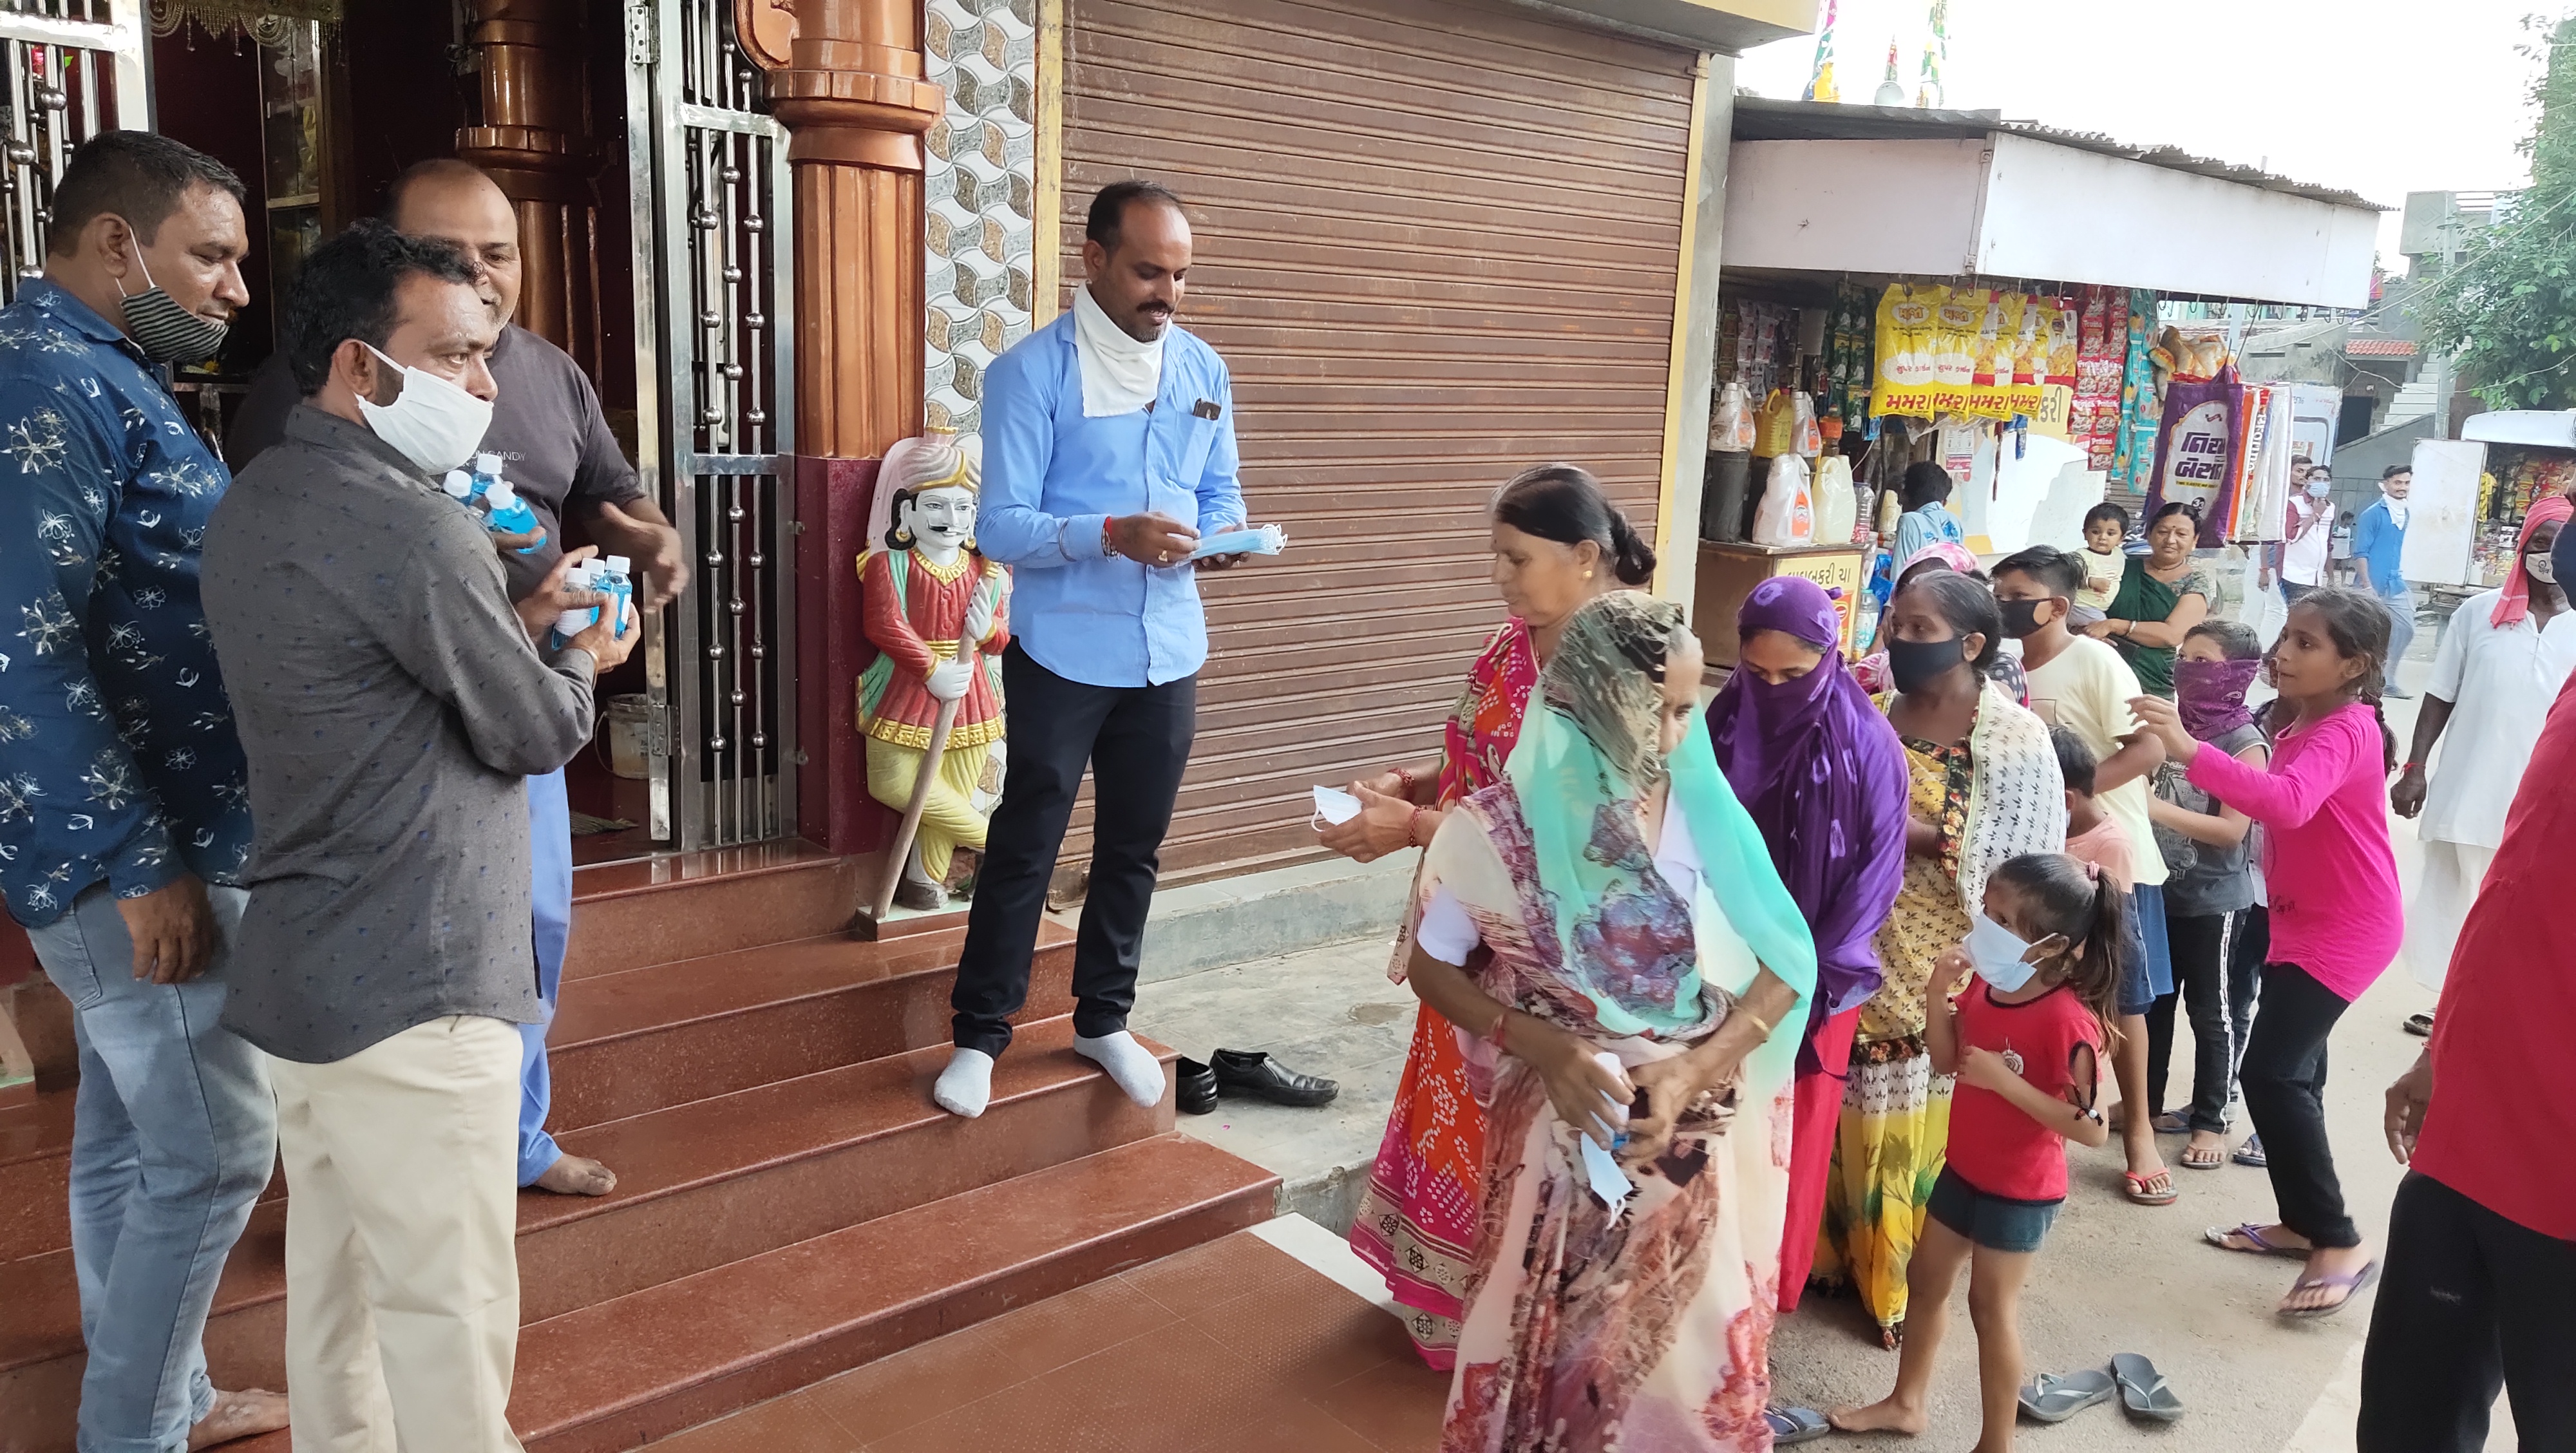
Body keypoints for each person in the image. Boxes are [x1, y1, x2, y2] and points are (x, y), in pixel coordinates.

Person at [203, 219, 636, 1450]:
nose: (487, 388)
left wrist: (514, 611)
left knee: (336, 1310)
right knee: (450, 1325)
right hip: (421, 981)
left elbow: (374, 677)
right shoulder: (418, 527)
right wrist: (578, 653)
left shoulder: (255, 502)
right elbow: (532, 729)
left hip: (304, 980)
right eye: (456, 357)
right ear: (360, 367)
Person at [231, 158, 670, 1200]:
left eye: (498, 253)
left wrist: (646, 541)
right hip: (401, 754)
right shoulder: (305, 417)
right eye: (448, 254)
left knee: (528, 931)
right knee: (419, 976)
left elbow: (613, 493)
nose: (479, 273)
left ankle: (512, 1136)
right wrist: (569, 659)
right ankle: (373, 1161)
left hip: (521, 691)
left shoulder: (552, 373)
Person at [0, 129, 288, 1452]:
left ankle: (166, 1397)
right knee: (219, 1153)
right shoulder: (46, 385)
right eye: (211, 255)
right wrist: (138, 866)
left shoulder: (106, 372)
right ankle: (133, 1435)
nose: (233, 287)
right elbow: (26, 651)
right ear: (120, 245)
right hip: (137, 857)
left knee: (128, 1136)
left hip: (160, 836)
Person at [1394, 592, 1817, 1449]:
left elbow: (1788, 969)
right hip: (1551, 1143)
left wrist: (1692, 1072)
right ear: (1587, 696)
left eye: (1689, 708)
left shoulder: (1703, 810)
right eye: (1655, 707)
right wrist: (1540, 1043)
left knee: (1680, 1375)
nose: (1673, 736)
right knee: (1538, 1352)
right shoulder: (1491, 831)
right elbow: (1433, 967)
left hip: (1682, 1143)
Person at [935, 180, 1303, 1118]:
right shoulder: (1030, 376)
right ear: (1092, 259)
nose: (1166, 294)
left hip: (1169, 650)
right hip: (1063, 650)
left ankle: (1104, 1019)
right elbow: (1004, 526)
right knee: (1027, 841)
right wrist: (1108, 534)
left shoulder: (1202, 372)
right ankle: (981, 1034)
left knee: (1134, 850)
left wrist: (1223, 540)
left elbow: (1218, 490)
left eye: (1179, 275)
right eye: (1147, 271)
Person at [1333, 462, 1651, 1369]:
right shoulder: (1511, 646)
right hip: (1460, 933)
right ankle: (1443, 1305)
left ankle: (1513, 1329)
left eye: (1518, 558)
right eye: (1496, 557)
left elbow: (1575, 838)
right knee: (1451, 1101)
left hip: (1544, 950)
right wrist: (1409, 787)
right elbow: (1471, 756)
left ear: (1587, 557)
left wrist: (1413, 831)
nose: (1501, 577)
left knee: (1517, 1127)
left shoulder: (1616, 674)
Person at [2132, 589, 2400, 1318]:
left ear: (2356, 664)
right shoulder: (2296, 720)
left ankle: (2339, 1239)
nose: (2283, 654)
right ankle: (2301, 1223)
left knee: (2271, 1072)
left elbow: (2283, 805)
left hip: (2347, 927)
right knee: (2297, 1076)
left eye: (2307, 644)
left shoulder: (2344, 727)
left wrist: (2191, 752)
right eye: (2286, 636)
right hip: (2295, 920)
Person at [1817, 572, 2064, 1347]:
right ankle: (1832, 1255)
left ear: (1971, 645)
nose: (1898, 638)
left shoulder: (2012, 737)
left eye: (1919, 630)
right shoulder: (1866, 702)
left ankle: (1893, 1280)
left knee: (1906, 1101)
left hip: (1943, 948)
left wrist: (1907, 835)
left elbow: (2025, 866)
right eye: (1895, 622)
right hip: (1852, 930)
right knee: (1842, 1089)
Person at [2362, 611, 2576, 1451]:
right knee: (2407, 1421)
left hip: (2561, 1193)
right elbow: (2517, 900)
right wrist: (2438, 1048)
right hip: (2466, 1145)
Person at [1830, 853, 2120, 1450]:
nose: (1986, 926)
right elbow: (1945, 1060)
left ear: (2053, 945)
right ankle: (1906, 1403)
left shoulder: (2070, 1021)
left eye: (2005, 921)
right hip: (1963, 1170)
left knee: (1990, 1309)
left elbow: (2092, 1128)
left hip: (2022, 1190)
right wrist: (1938, 995)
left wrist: (2004, 1082)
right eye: (1988, 912)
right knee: (1926, 1279)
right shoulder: (1991, 984)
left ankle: (1996, 1444)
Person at [1703, 576, 1909, 1319]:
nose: (1774, 689)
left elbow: (1874, 878)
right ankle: (1704, 1297)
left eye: (1794, 675)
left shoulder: (1868, 744)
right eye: (1757, 674)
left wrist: (1797, 977)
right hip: (1716, 969)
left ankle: (1760, 1311)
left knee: (1785, 1146)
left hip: (1816, 981)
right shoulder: (1721, 724)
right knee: (1715, 1139)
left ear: (1829, 658)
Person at [1993, 546, 2175, 1206]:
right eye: (1997, 588)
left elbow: (2149, 746)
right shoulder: (2005, 666)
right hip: (2039, 858)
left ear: (2056, 604)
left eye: (2016, 592)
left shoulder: (2094, 660)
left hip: (2108, 857)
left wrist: (2064, 793)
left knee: (2123, 997)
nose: (2002, 599)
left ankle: (2140, 1136)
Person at [2391, 495, 2574, 1027]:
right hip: (2471, 783)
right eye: (2539, 543)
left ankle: (2503, 1002)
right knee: (2458, 897)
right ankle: (2448, 1000)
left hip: (2543, 795)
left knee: (2525, 906)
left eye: (2557, 544)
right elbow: (2440, 694)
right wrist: (2415, 768)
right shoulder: (2480, 613)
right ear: (2523, 548)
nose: (2547, 555)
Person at [2143, 621, 2271, 1171]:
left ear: (2237, 675)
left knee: (2213, 1011)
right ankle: (2146, 1105)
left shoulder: (2243, 743)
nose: (2186, 671)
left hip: (2215, 899)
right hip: (2160, 890)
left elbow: (2230, 832)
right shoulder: (2172, 727)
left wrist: (2150, 807)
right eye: (2183, 659)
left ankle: (2211, 1119)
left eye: (2202, 662)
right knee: (2154, 1006)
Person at [2085, 500, 2211, 698]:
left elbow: (2171, 635)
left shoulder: (2195, 583)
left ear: (2195, 540)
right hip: (2099, 669)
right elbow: (2083, 603)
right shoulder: (2121, 567)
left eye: (2181, 534)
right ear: (2149, 534)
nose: (2170, 540)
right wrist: (2086, 630)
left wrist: (2114, 625)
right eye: (2163, 532)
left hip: (2151, 682)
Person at [2349, 465, 2415, 695]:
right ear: (2386, 484)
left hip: (2394, 582)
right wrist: (2367, 586)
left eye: (2406, 483)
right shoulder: (2373, 514)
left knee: (2406, 628)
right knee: (2364, 635)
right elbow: (2360, 553)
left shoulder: (2404, 512)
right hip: (2371, 585)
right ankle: (2360, 680)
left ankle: (2386, 679)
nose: (2402, 488)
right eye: (2398, 483)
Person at [1889, 460, 1967, 569]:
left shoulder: (1909, 521)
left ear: (1903, 496)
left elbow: (1898, 575)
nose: (1899, 503)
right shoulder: (1955, 521)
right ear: (1944, 502)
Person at [2280, 465, 2336, 605]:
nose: (2322, 483)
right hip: (2293, 575)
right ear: (2306, 481)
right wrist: (2315, 515)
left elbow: (2327, 544)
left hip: (2316, 578)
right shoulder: (2294, 504)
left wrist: (2331, 577)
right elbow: (2291, 537)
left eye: (2326, 480)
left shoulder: (2330, 508)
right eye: (2317, 479)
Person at [2072, 502, 2130, 627]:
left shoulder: (2119, 554)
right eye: (2096, 532)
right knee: (2101, 627)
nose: (2102, 537)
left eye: (2110, 533)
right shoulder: (2081, 555)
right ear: (2085, 533)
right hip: (2081, 606)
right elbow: (2069, 577)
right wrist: (2090, 582)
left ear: (2121, 538)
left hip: (2101, 608)